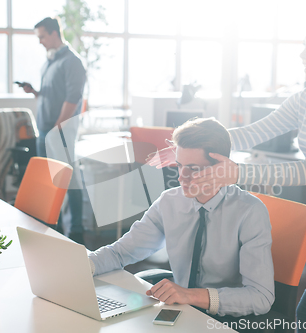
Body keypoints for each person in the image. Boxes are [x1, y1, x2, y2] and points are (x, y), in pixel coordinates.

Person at [149, 2, 306, 332]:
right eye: (304, 45)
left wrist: (238, 173)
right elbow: (253, 133)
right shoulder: (304, 100)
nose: (303, 54)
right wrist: (191, 146)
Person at [89, 118, 274, 332]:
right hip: (182, 309)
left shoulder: (250, 212)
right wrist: (81, 266)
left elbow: (261, 297)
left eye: (193, 169)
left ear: (221, 168)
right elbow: (120, 253)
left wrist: (190, 295)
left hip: (224, 317)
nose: (181, 177)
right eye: (179, 165)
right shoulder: (169, 202)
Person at [20, 17, 86, 244]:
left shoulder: (72, 62)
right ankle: (51, 227)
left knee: (69, 179)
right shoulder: (49, 62)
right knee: (49, 181)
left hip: (60, 131)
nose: (40, 42)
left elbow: (73, 98)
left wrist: (58, 128)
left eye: (42, 37)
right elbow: (52, 95)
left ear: (54, 33)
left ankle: (76, 229)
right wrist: (35, 92)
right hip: (45, 129)